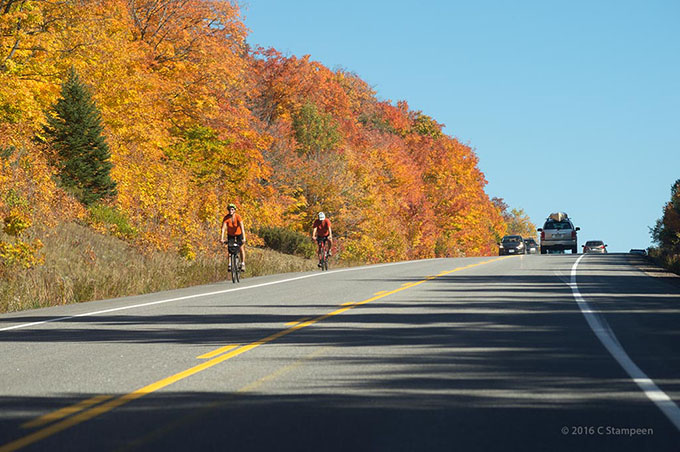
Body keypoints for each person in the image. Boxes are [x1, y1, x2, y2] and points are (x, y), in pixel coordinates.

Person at [221, 203, 246, 271]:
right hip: (230, 235)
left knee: (241, 247)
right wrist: (221, 238)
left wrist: (244, 238)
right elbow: (223, 229)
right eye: (229, 209)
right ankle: (230, 264)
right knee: (230, 248)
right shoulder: (226, 218)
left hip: (238, 234)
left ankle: (243, 263)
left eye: (232, 209)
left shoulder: (238, 217)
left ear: (234, 210)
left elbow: (242, 227)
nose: (230, 211)